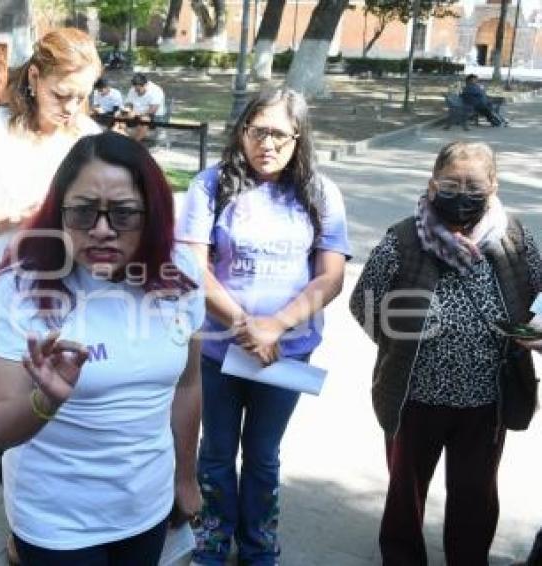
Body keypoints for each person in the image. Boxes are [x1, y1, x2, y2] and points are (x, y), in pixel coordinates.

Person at [0, 132, 204, 565]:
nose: (101, 230)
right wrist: (45, 401)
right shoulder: (22, 288)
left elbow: (189, 386)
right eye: (83, 212)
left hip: (147, 508)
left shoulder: (180, 275)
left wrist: (186, 477)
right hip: (57, 522)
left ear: (152, 215)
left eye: (123, 214)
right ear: (59, 214)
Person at [176, 88, 350, 565]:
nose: (266, 144)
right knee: (214, 451)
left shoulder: (319, 192)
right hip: (215, 351)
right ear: (242, 132)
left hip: (286, 356)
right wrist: (243, 324)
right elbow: (193, 267)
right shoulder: (210, 186)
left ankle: (258, 545)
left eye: (278, 134)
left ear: (298, 138)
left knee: (263, 455)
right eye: (257, 131)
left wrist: (275, 326)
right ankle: (212, 539)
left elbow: (331, 275)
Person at [349, 140, 541, 565]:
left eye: (473, 183)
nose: (462, 193)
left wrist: (537, 328)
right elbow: (363, 300)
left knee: (476, 494)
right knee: (406, 493)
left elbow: (541, 293)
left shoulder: (514, 237)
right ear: (432, 184)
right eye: (451, 182)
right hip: (414, 394)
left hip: (485, 398)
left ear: (493, 184)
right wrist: (399, 344)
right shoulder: (404, 237)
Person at [0, 26, 101, 355]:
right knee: (7, 400)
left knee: (64, 397)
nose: (70, 108)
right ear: (35, 77)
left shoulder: (86, 136)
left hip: (66, 292)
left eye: (80, 98)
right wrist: (18, 218)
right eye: (61, 94)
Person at [125, 73, 166, 142]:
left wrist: (136, 114)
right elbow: (129, 103)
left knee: (144, 120)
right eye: (135, 89)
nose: (136, 91)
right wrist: (128, 110)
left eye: (138, 90)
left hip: (154, 116)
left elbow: (152, 110)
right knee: (119, 115)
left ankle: (135, 143)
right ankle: (120, 140)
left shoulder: (155, 91)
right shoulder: (133, 89)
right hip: (136, 114)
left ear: (145, 85)